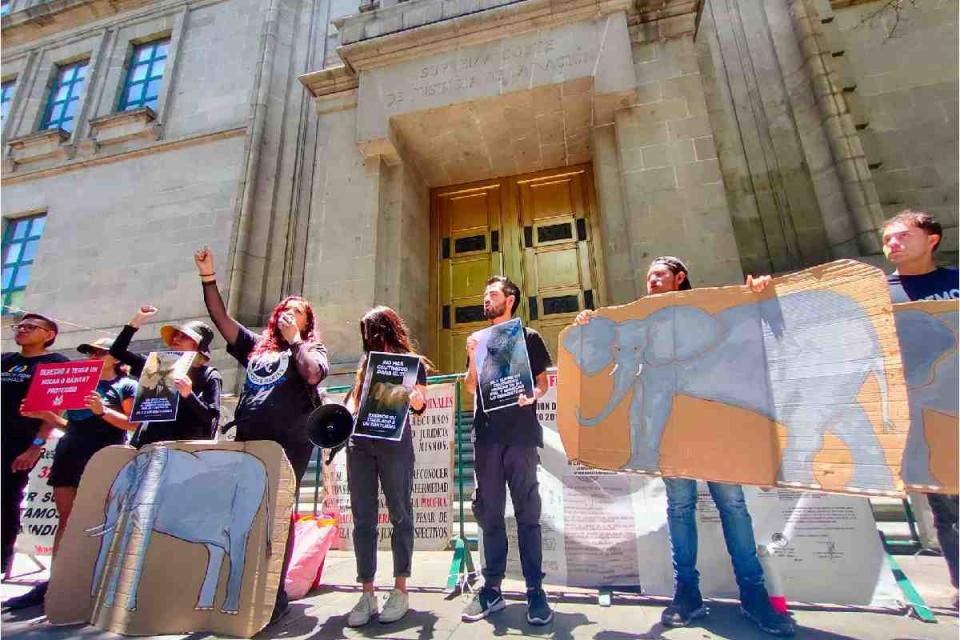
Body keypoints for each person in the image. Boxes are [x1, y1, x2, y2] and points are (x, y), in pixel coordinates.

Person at [574, 257, 794, 637]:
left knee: (733, 506)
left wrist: (762, 293)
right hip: (671, 437)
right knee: (679, 507)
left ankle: (754, 594)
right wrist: (588, 326)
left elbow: (757, 332)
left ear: (680, 278)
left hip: (711, 432)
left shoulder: (708, 310)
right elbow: (617, 356)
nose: (652, 281)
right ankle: (687, 592)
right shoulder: (644, 317)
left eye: (659, 274)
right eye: (648, 276)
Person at [193, 246, 328, 622]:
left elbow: (313, 373)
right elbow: (220, 317)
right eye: (284, 309)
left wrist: (297, 339)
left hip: (288, 442)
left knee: (277, 515)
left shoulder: (311, 348)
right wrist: (209, 277)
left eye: (297, 311)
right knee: (241, 513)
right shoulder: (255, 347)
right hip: (247, 441)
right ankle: (234, 587)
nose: (288, 313)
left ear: (305, 321)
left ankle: (272, 594)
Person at [4, 338, 137, 610]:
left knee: (100, 517)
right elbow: (68, 424)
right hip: (69, 451)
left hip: (104, 454)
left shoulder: (126, 385)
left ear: (117, 358)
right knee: (66, 520)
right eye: (90, 351)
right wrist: (48, 417)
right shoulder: (77, 382)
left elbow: (133, 424)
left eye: (100, 352)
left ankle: (94, 584)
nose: (93, 355)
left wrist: (102, 411)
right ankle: (56, 583)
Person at [461, 276, 553, 626]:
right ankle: (492, 588)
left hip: (521, 436)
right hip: (486, 437)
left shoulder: (528, 338)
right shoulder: (479, 341)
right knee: (490, 514)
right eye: (484, 295)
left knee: (528, 512)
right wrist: (471, 355)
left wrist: (534, 396)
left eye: (493, 295)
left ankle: (535, 591)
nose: (486, 300)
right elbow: (471, 386)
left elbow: (543, 383)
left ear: (510, 300)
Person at [881, 209, 958, 603]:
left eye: (902, 237)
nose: (892, 244)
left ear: (932, 240)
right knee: (947, 512)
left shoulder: (956, 282)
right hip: (926, 418)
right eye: (888, 239)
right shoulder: (879, 294)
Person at [343, 306, 429, 627]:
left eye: (370, 330)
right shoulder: (365, 362)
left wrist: (414, 397)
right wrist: (346, 410)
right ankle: (367, 592)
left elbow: (420, 404)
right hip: (360, 443)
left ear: (384, 329)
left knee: (400, 513)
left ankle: (400, 588)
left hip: (394, 443)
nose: (366, 337)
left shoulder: (411, 363)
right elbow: (355, 399)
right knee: (363, 518)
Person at [0, 313, 69, 580]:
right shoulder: (6, 360)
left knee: (5, 501)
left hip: (17, 444)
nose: (22, 330)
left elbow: (54, 409)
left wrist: (35, 446)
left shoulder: (55, 364)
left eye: (31, 327)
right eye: (21, 326)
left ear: (48, 334)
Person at [109, 305, 221, 446]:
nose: (176, 338)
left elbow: (211, 416)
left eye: (184, 336)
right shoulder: (156, 365)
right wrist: (137, 320)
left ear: (196, 345)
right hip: (145, 445)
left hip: (181, 451)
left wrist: (189, 395)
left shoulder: (209, 375)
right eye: (175, 334)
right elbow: (117, 351)